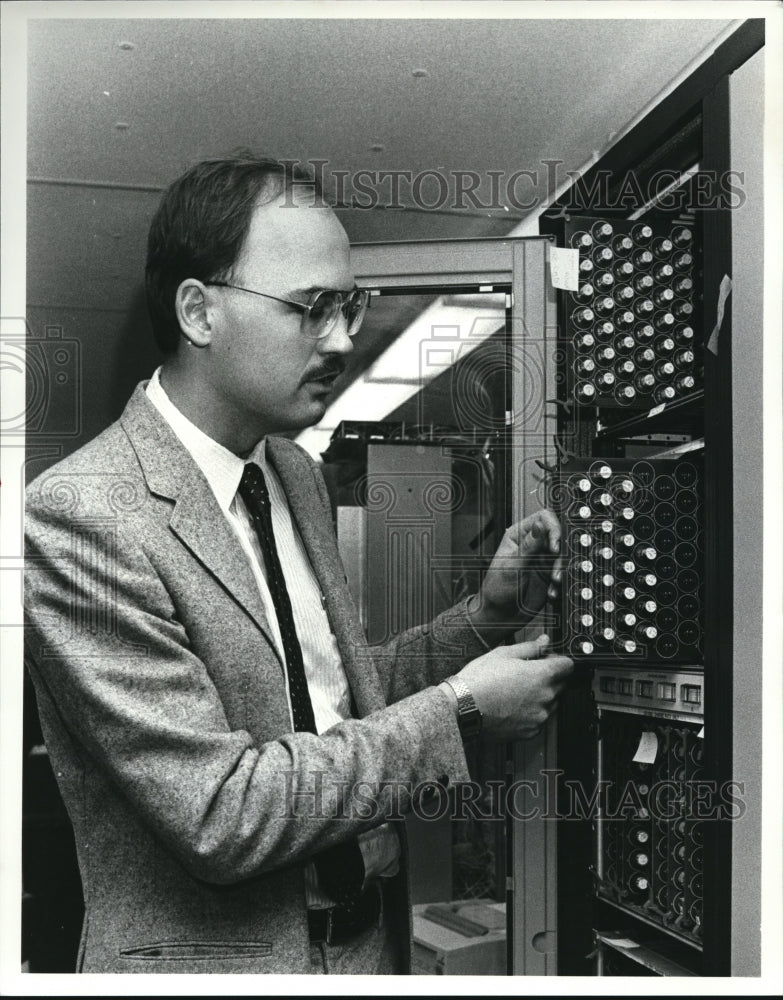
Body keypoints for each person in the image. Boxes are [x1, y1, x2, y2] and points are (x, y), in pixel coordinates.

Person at [24, 154, 573, 975]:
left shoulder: (292, 473)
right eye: (313, 308)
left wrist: (483, 621)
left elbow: (329, 706)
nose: (344, 339)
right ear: (199, 311)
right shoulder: (82, 516)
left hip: (358, 946)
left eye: (347, 307)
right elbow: (219, 812)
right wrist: (461, 712)